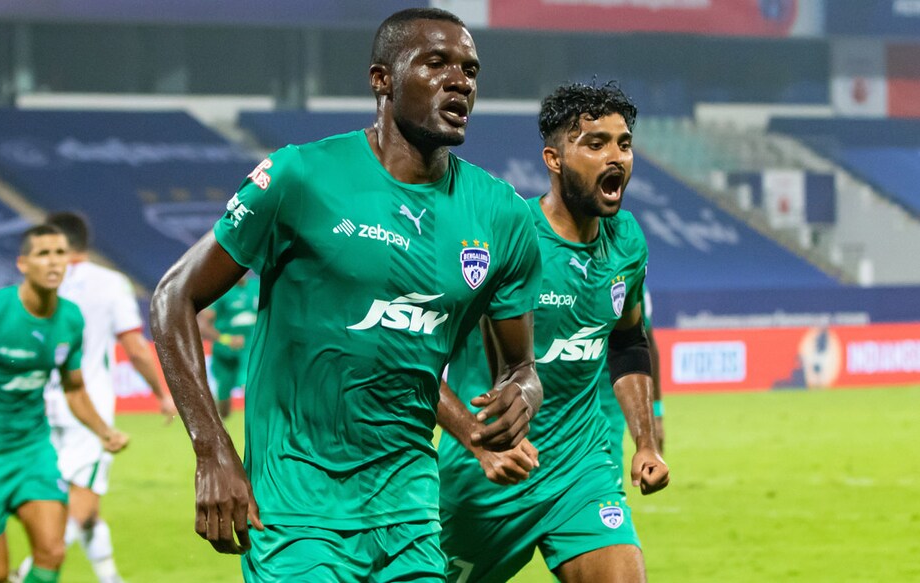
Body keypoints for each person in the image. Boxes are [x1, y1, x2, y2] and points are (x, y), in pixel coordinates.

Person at [150, 7, 544, 581]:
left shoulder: (501, 213)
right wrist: (213, 451)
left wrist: (521, 397)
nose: (460, 80)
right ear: (381, 79)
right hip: (296, 513)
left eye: (470, 69)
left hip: (410, 513)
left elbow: (519, 369)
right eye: (436, 63)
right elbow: (172, 298)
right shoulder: (300, 177)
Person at [437, 81, 671, 583]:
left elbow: (628, 342)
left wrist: (646, 442)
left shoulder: (626, 240)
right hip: (487, 477)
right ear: (555, 158)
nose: (616, 157)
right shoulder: (504, 236)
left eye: (624, 143)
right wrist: (476, 440)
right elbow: (415, 355)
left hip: (582, 469)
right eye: (595, 143)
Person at [0, 224, 130, 583]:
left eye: (60, 253)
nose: (53, 262)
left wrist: (103, 431)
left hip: (33, 452)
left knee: (52, 552)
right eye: (43, 254)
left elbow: (74, 387)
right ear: (23, 264)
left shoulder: (71, 319)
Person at [8, 212, 174, 583]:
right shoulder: (109, 283)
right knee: (81, 505)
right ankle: (26, 574)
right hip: (87, 408)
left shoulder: (40, 280)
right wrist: (162, 393)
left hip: (38, 405)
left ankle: (110, 577)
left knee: (78, 503)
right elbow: (134, 346)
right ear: (87, 241)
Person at [599, 284, 664, 469]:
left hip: (607, 409)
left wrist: (655, 414)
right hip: (549, 411)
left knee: (606, 484)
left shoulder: (626, 271)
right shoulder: (540, 266)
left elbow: (643, 342)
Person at [196, 274, 259, 419]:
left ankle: (259, 424)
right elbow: (203, 325)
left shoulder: (257, 287)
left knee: (249, 379)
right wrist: (226, 339)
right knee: (223, 399)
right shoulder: (221, 291)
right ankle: (220, 428)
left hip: (249, 345)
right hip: (224, 350)